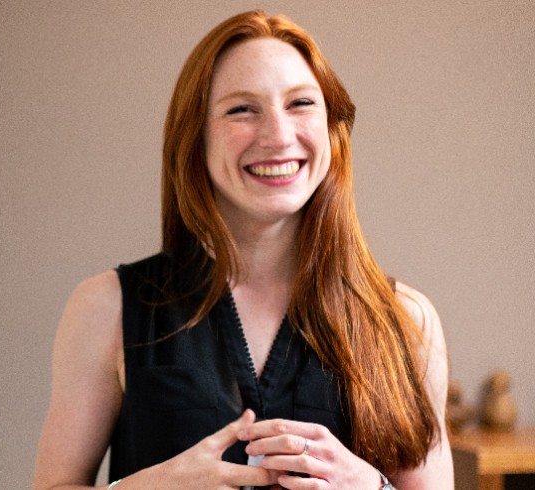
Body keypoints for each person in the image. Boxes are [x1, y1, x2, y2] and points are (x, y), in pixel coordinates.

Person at [32, 11, 451, 490]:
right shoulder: (105, 308)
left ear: (332, 130)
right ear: (196, 139)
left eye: (301, 104)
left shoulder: (407, 321)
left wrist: (372, 489)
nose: (277, 135)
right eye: (242, 110)